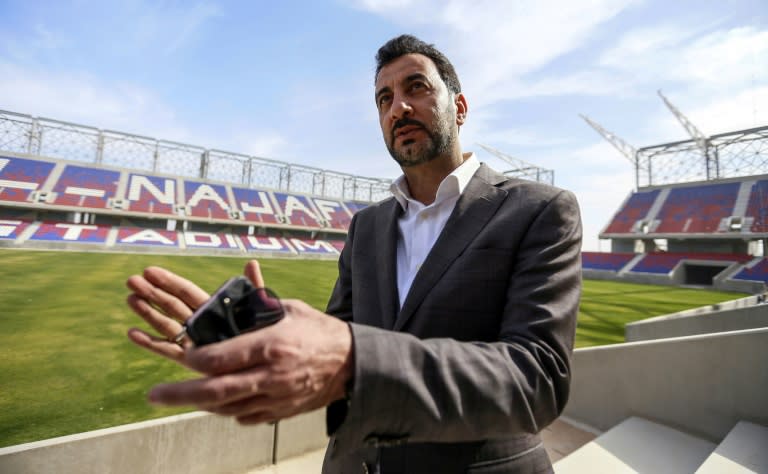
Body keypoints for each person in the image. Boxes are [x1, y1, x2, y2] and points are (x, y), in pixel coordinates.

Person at [126, 34, 582, 473]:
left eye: (416, 88)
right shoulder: (367, 227)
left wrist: (354, 358)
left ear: (459, 108)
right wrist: (257, 342)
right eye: (383, 99)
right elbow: (334, 336)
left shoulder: (538, 209)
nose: (398, 108)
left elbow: (536, 381)